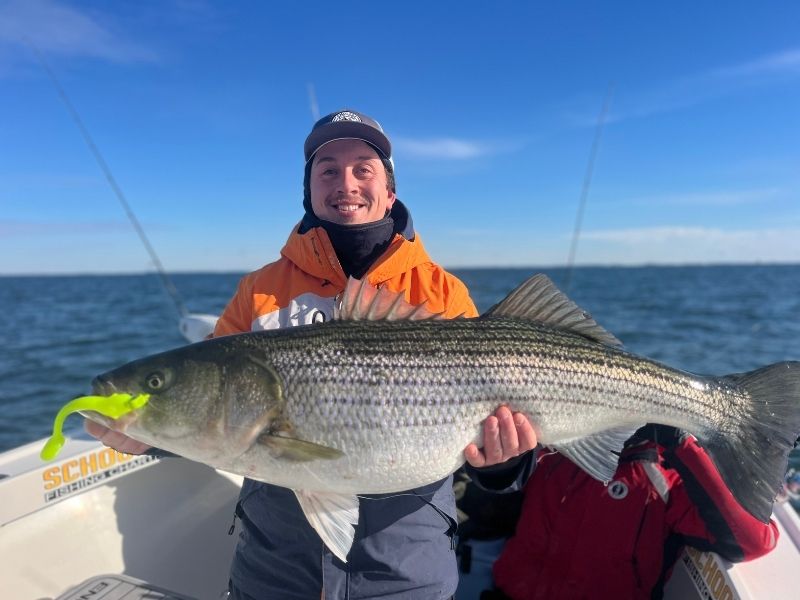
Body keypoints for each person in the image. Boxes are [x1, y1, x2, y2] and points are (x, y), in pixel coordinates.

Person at [86, 108, 538, 600]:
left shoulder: (442, 292)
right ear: (309, 191)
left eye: (363, 169)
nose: (345, 182)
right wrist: (149, 434)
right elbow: (218, 415)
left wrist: (501, 465)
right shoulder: (259, 290)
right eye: (327, 170)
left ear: (389, 190)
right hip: (274, 564)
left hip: (406, 567)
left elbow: (489, 444)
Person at [483, 424, 779, 599]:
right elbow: (497, 482)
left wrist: (682, 443)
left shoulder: (668, 475)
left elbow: (753, 540)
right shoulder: (553, 450)